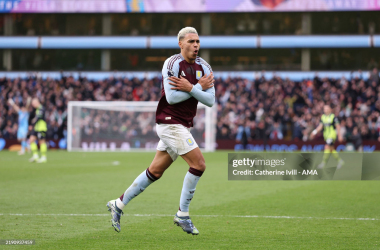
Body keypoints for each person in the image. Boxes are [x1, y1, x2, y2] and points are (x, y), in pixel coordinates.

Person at [107, 27, 215, 235]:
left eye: (198, 41)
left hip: (182, 124)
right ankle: (182, 214)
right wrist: (197, 88)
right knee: (199, 164)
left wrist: (193, 87)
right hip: (169, 122)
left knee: (155, 171)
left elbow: (210, 101)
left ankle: (118, 204)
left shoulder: (205, 66)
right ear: (180, 44)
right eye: (191, 41)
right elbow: (172, 98)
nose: (196, 45)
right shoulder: (172, 63)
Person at [310, 104, 344, 169]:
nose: (325, 110)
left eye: (326, 108)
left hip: (332, 135)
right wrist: (314, 132)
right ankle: (340, 161)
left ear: (330, 109)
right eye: (324, 109)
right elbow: (320, 127)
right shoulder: (323, 117)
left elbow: (338, 126)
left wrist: (340, 135)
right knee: (331, 149)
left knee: (327, 147)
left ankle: (323, 163)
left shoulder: (333, 117)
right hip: (326, 136)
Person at [29, 98, 48, 163]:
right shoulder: (37, 109)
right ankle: (35, 156)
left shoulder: (41, 108)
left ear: (37, 102)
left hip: (41, 128)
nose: (33, 105)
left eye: (34, 103)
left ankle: (43, 157)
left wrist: (32, 124)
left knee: (41, 142)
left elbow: (38, 117)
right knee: (31, 140)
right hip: (36, 128)